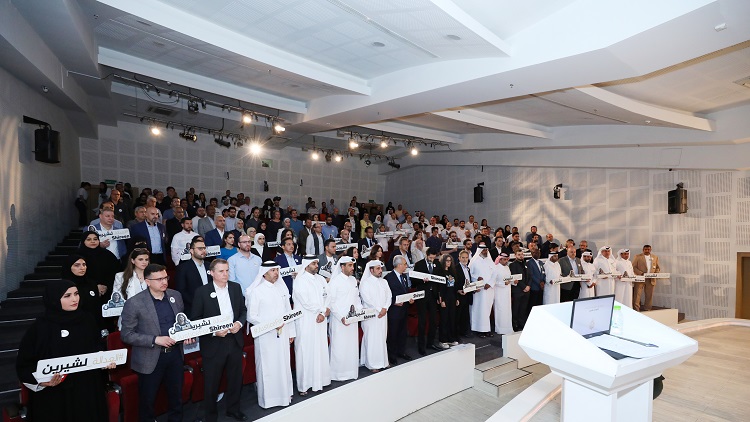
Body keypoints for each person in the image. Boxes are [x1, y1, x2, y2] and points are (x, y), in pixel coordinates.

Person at [16, 280, 112, 422]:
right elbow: (24, 365)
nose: (74, 299)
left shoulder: (87, 320)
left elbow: (96, 347)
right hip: (54, 396)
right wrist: (42, 382)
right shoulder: (40, 328)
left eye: (76, 294)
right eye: (67, 296)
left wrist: (104, 360)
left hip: (87, 391)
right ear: (54, 299)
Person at [120, 264, 192, 422]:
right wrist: (154, 339)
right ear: (147, 281)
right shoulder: (135, 303)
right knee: (147, 402)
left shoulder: (175, 296)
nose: (164, 282)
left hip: (174, 355)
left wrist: (188, 334)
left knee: (176, 398)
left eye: (165, 277)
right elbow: (126, 335)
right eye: (159, 279)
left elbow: (182, 323)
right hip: (150, 358)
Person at [190, 259, 247, 422]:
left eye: (227, 270)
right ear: (212, 273)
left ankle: (234, 410)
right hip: (213, 344)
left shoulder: (236, 288)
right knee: (212, 383)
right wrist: (214, 332)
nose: (225, 274)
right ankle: (211, 416)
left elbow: (243, 310)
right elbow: (196, 319)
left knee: (236, 379)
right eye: (221, 271)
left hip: (234, 340)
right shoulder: (202, 292)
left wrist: (239, 323)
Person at [246, 262, 296, 408]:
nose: (276, 273)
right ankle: (268, 400)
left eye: (277, 270)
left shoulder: (282, 289)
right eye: (272, 270)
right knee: (267, 367)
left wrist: (291, 332)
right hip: (265, 336)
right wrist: (272, 323)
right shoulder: (257, 291)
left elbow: (289, 313)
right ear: (264, 273)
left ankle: (284, 396)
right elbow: (251, 316)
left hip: (283, 333)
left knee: (283, 365)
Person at [292, 257, 331, 396]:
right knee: (305, 352)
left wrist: (325, 310)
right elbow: (305, 302)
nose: (316, 266)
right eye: (314, 264)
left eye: (317, 263)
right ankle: (304, 385)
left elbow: (328, 296)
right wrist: (321, 310)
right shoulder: (300, 281)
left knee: (320, 349)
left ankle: (320, 380)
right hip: (306, 321)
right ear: (306, 265)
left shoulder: (320, 279)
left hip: (320, 319)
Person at [328, 257, 362, 381]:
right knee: (339, 347)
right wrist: (342, 317)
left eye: (353, 265)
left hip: (352, 319)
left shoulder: (353, 280)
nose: (352, 268)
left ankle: (351, 372)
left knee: (351, 346)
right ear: (342, 267)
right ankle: (337, 374)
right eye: (349, 265)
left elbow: (357, 298)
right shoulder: (335, 282)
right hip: (339, 321)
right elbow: (331, 303)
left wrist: (359, 311)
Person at [359, 260, 391, 373]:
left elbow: (389, 296)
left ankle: (383, 361)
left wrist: (385, 308)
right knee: (372, 339)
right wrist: (379, 309)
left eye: (381, 268)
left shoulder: (384, 282)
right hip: (371, 315)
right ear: (371, 270)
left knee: (382, 338)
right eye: (377, 269)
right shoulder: (365, 283)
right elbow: (367, 299)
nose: (380, 271)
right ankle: (372, 364)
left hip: (383, 314)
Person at [60, 255, 105, 334]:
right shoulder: (63, 286)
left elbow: (97, 306)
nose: (82, 268)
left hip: (92, 326)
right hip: (73, 327)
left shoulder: (91, 283)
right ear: (69, 267)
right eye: (77, 265)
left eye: (84, 265)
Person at [413, 247, 446, 352]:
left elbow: (441, 280)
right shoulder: (419, 265)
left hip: (433, 296)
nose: (432, 259)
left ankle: (430, 343)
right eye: (430, 257)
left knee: (433, 321)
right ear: (426, 255)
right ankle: (421, 346)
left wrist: (440, 296)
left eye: (433, 258)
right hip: (422, 297)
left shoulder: (438, 264)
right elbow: (413, 281)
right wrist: (422, 281)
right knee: (422, 322)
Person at [76, 230, 120, 304]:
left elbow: (115, 271)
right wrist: (94, 286)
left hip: (107, 292)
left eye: (95, 239)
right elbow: (76, 274)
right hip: (85, 292)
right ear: (83, 241)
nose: (92, 241)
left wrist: (106, 286)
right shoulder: (77, 256)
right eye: (89, 239)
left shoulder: (108, 255)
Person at [384, 255, 413, 364]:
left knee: (402, 332)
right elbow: (386, 296)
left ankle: (401, 351)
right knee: (393, 333)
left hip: (404, 310)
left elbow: (405, 292)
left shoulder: (404, 277)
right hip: (394, 311)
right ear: (399, 265)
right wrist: (394, 302)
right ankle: (392, 355)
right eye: (405, 264)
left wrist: (409, 299)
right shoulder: (388, 278)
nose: (406, 266)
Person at [175, 237, 212, 316]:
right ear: (191, 251)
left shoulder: (210, 265)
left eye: (204, 248)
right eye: (200, 248)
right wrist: (198, 303)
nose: (203, 251)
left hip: (211, 307)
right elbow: (181, 290)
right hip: (193, 309)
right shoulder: (183, 268)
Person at [469, 244, 494, 338]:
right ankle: (479, 330)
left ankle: (487, 329)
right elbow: (470, 275)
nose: (485, 252)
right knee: (479, 310)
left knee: (487, 310)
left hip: (489, 289)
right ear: (479, 251)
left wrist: (490, 283)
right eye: (483, 250)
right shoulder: (474, 261)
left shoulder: (490, 261)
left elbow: (494, 274)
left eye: (486, 250)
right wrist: (476, 280)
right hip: (479, 291)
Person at [438, 254, 460, 345]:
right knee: (444, 319)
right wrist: (441, 300)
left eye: (450, 261)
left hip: (452, 297)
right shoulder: (440, 272)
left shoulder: (452, 272)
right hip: (444, 298)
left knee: (452, 318)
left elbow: (455, 287)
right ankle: (443, 340)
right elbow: (439, 288)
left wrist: (457, 298)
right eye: (447, 261)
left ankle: (451, 338)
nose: (449, 262)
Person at [632, 245, 660, 311]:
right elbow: (633, 267)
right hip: (640, 278)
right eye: (645, 249)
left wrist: (655, 274)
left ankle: (647, 309)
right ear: (643, 250)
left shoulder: (655, 257)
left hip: (651, 279)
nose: (647, 251)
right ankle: (636, 309)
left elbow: (657, 268)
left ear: (650, 250)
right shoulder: (638, 257)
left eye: (648, 249)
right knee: (637, 295)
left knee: (649, 296)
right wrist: (641, 273)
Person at [492, 253, 513, 335]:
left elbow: (509, 278)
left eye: (507, 259)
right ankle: (500, 329)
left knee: (507, 310)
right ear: (500, 259)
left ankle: (508, 328)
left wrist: (513, 282)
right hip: (499, 293)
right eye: (504, 259)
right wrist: (503, 283)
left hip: (507, 292)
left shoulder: (507, 268)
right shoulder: (495, 268)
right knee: (500, 310)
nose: (506, 261)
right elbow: (494, 281)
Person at [508, 250, 530, 331]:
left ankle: (521, 323)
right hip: (518, 290)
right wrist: (524, 286)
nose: (521, 256)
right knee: (516, 308)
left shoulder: (525, 264)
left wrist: (528, 286)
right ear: (515, 255)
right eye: (519, 254)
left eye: (522, 254)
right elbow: (515, 277)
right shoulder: (513, 265)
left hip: (526, 290)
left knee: (523, 308)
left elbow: (529, 276)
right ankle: (515, 324)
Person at [454, 250, 474, 338]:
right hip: (459, 295)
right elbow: (454, 283)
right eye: (463, 257)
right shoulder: (455, 268)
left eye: (466, 257)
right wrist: (458, 290)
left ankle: (463, 332)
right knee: (458, 315)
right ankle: (456, 334)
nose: (465, 259)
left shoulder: (468, 268)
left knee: (465, 315)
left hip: (467, 294)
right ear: (459, 258)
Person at [525, 249, 546, 317]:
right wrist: (539, 283)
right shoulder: (529, 263)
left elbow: (543, 273)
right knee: (532, 303)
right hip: (534, 286)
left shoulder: (541, 262)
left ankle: (538, 316)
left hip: (541, 287)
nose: (537, 254)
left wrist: (543, 281)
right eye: (535, 253)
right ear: (532, 254)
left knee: (539, 302)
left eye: (538, 252)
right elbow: (531, 275)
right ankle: (531, 316)